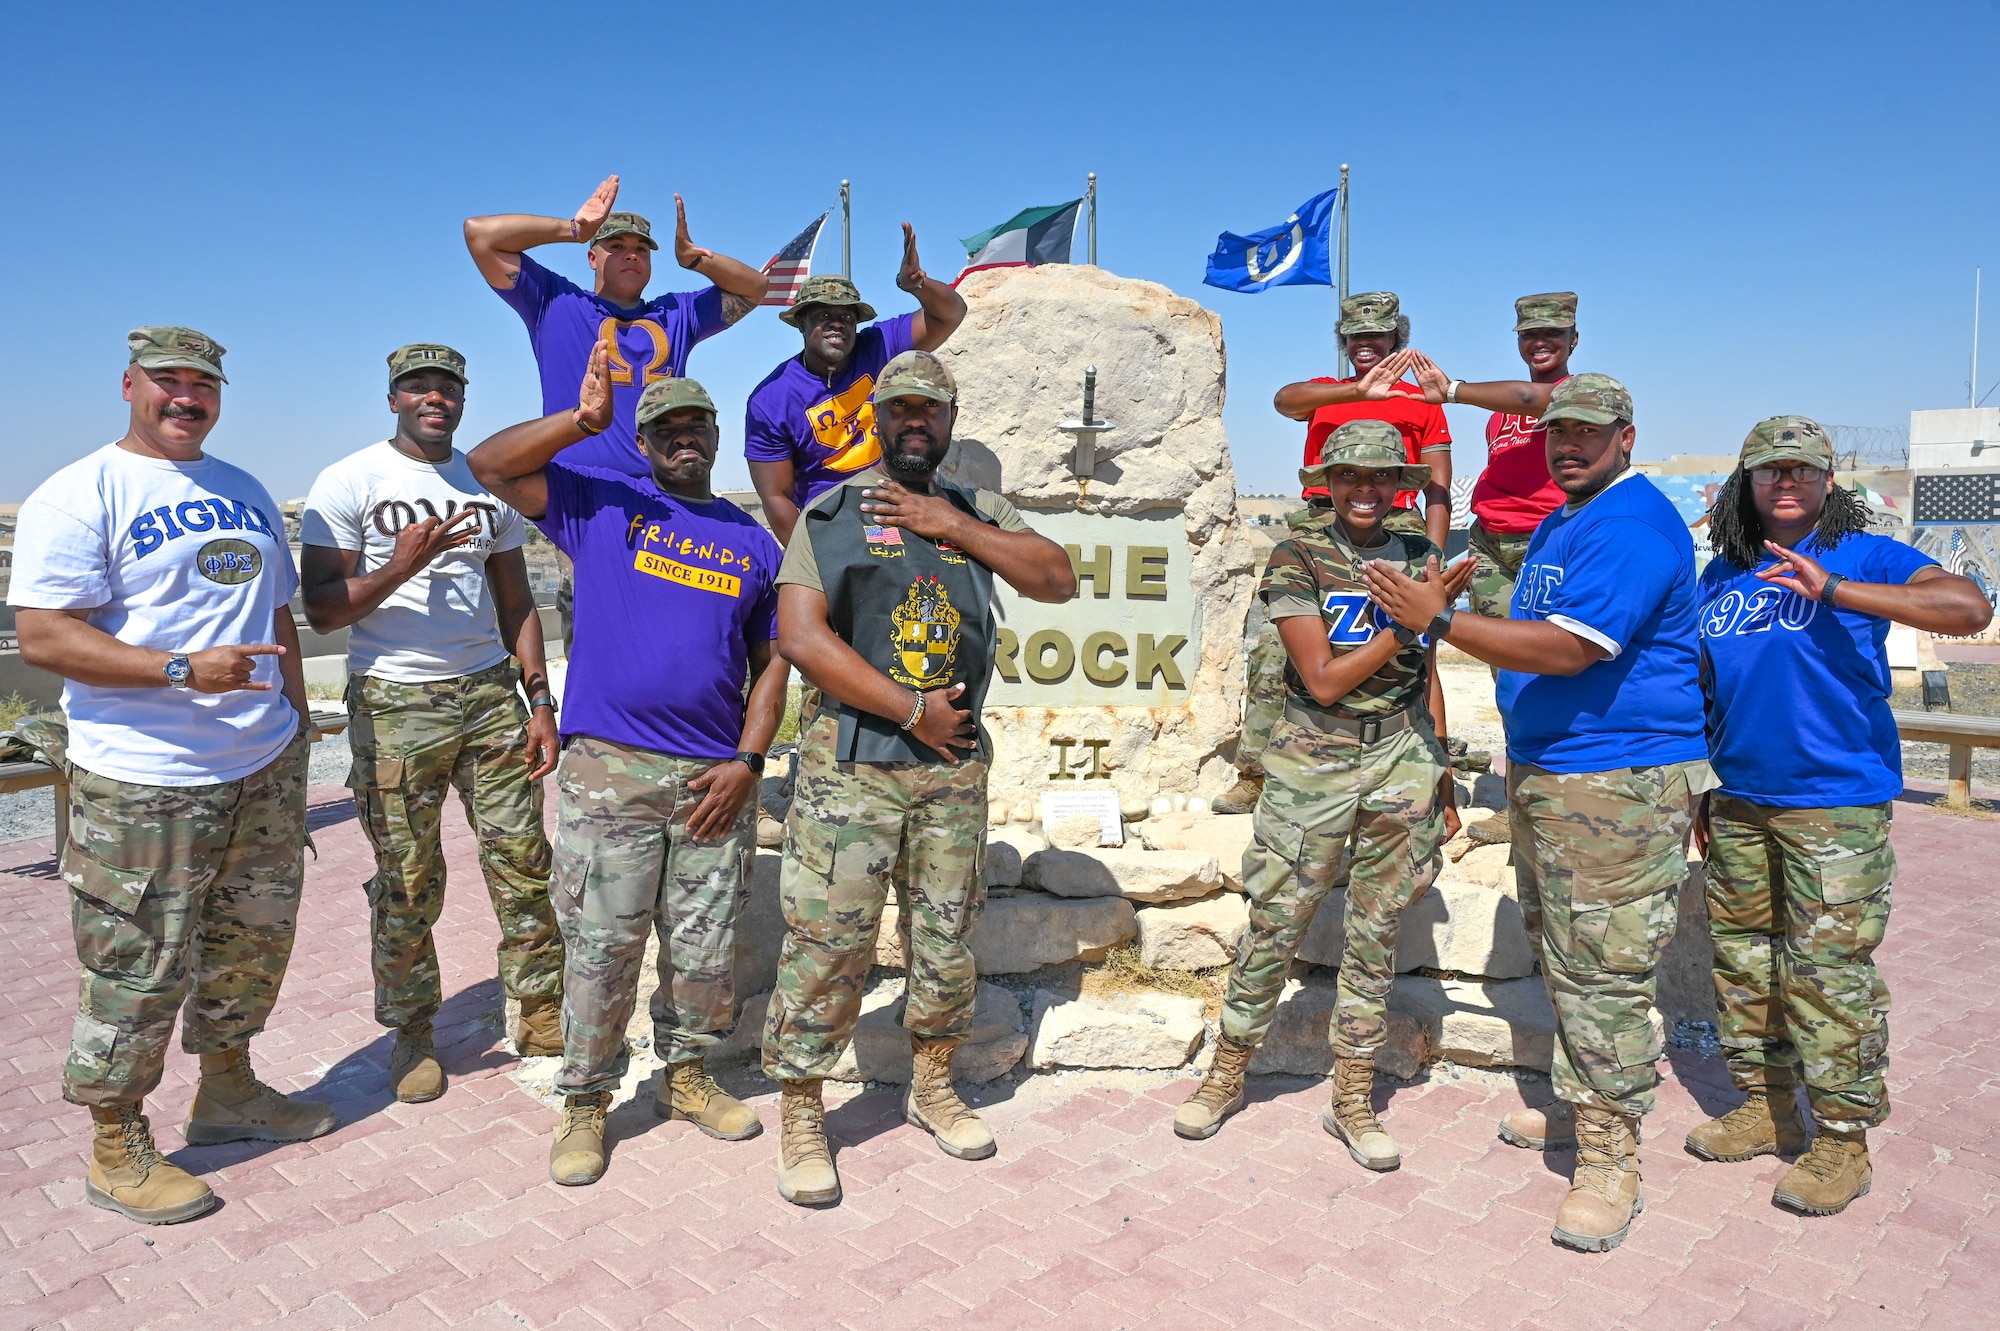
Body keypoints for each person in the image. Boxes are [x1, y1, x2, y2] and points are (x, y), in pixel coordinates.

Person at [1363, 374, 1708, 1253]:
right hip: (1557, 777)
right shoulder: (1567, 519)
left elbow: (1568, 646)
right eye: (1558, 430)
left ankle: (1609, 1158)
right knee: (1567, 952)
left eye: (1589, 432)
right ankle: (1577, 1109)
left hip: (1617, 785)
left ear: (1626, 437)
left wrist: (1440, 621)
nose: (1568, 444)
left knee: (1605, 972)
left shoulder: (1630, 524)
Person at [12, 328, 335, 1225]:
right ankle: (116, 1144)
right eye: (167, 382)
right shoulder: (81, 493)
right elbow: (42, 635)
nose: (185, 397)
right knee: (136, 967)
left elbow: (276, 616)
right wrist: (182, 668)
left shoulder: (243, 489)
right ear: (129, 385)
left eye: (202, 383)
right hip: (144, 781)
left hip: (260, 766)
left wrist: (297, 731)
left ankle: (228, 1091)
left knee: (250, 945)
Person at [469, 344, 788, 1187]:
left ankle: (685, 1074)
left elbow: (774, 666)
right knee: (603, 947)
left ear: (715, 437)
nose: (684, 440)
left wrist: (751, 760)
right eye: (667, 430)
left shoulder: (749, 541)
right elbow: (490, 463)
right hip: (612, 770)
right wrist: (580, 422)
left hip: (714, 778)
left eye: (696, 427)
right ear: (644, 442)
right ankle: (585, 1099)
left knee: (704, 948)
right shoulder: (601, 506)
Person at [764, 350, 1075, 1206]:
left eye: (929, 410)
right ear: (879, 415)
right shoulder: (831, 512)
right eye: (899, 407)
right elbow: (801, 637)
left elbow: (1056, 577)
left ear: (948, 421)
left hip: (950, 774)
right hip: (853, 774)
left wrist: (955, 525)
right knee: (829, 949)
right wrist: (910, 712)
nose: (914, 421)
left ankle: (931, 1083)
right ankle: (802, 1108)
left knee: (944, 940)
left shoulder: (979, 510)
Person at [1688, 416, 1992, 1216]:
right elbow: (1709, 688)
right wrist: (1702, 791)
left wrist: (1836, 592)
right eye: (1767, 471)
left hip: (1834, 805)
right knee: (1747, 964)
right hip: (1742, 799)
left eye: (1800, 470)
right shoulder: (1723, 573)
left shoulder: (1862, 554)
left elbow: (1967, 606)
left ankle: (1843, 1140)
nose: (1784, 483)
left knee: (1828, 977)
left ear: (1829, 480)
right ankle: (1766, 1104)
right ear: (1746, 484)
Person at [1174, 422, 1468, 1170]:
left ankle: (1353, 1096)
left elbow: (1427, 673)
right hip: (1315, 758)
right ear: (1327, 484)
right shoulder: (1297, 555)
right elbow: (1324, 677)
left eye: (1379, 479)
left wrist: (1441, 774)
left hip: (1402, 756)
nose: (1365, 492)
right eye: (1350, 479)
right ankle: (1227, 1069)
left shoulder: (1419, 555)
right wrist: (1411, 623)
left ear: (1398, 483)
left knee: (1376, 933)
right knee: (1278, 918)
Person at [299, 343, 563, 1104]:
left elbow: (517, 605)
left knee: (522, 860)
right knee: (408, 879)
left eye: (446, 386)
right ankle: (413, 1029)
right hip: (394, 700)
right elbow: (322, 610)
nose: (433, 397)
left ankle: (540, 1006)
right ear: (394, 399)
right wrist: (399, 565)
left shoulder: (488, 485)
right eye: (417, 386)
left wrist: (539, 701)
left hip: (487, 696)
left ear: (461, 399)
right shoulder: (349, 480)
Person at [464, 177, 770, 638]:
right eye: (616, 245)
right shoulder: (556, 300)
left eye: (642, 249)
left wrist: (698, 259)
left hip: (666, 508)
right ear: (592, 256)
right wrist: (572, 226)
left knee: (677, 635)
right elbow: (479, 234)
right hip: (582, 509)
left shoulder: (676, 313)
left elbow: (755, 288)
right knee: (600, 642)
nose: (631, 254)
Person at [1217, 290, 1449, 816]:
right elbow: (1284, 400)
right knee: (1278, 650)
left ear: (1398, 339)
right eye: (1356, 338)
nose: (1367, 345)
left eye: (1378, 337)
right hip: (1322, 525)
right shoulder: (1327, 391)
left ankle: (1422, 764)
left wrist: (1432, 553)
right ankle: (1257, 770)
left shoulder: (1421, 400)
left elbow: (1438, 483)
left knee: (1411, 651)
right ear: (1345, 343)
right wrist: (1357, 392)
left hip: (1396, 525)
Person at [745, 229, 969, 546]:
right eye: (824, 314)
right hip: (833, 527)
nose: (837, 322)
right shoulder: (771, 399)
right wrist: (811, 562)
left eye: (846, 316)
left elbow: (950, 313)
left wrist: (917, 284)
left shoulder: (880, 345)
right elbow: (776, 496)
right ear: (801, 323)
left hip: (905, 510)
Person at [1407, 292, 1578, 619]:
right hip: (1490, 545)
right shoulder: (1499, 416)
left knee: (1549, 647)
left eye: (1552, 333)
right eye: (1529, 334)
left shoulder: (1578, 395)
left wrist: (1451, 391)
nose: (1539, 342)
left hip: (1548, 539)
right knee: (1502, 654)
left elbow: (1530, 396)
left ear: (1574, 339)